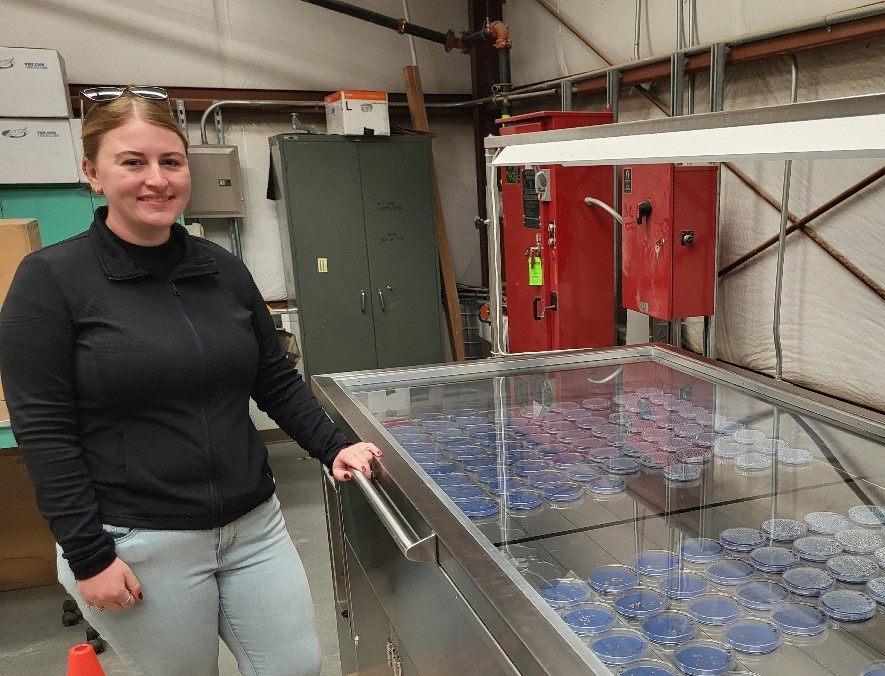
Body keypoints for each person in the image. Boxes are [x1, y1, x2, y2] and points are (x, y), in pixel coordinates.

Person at [0, 86, 381, 676]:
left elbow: (272, 376)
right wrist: (87, 554)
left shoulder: (220, 268)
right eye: (132, 162)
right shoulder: (51, 280)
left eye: (170, 161)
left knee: (296, 668)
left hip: (254, 527)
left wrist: (333, 444)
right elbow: (45, 431)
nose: (157, 179)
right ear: (92, 173)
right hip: (139, 541)